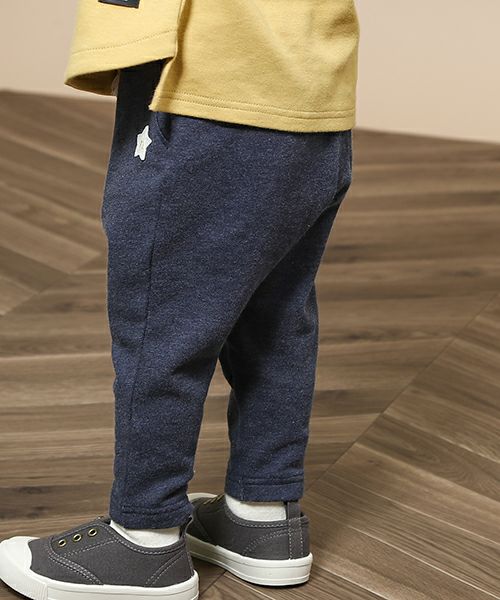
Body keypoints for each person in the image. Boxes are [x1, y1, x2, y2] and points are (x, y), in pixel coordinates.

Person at [0, 1, 359, 597]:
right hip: (313, 90)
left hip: (203, 88)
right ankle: (262, 513)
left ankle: (144, 537)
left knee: (161, 322)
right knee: (273, 318)